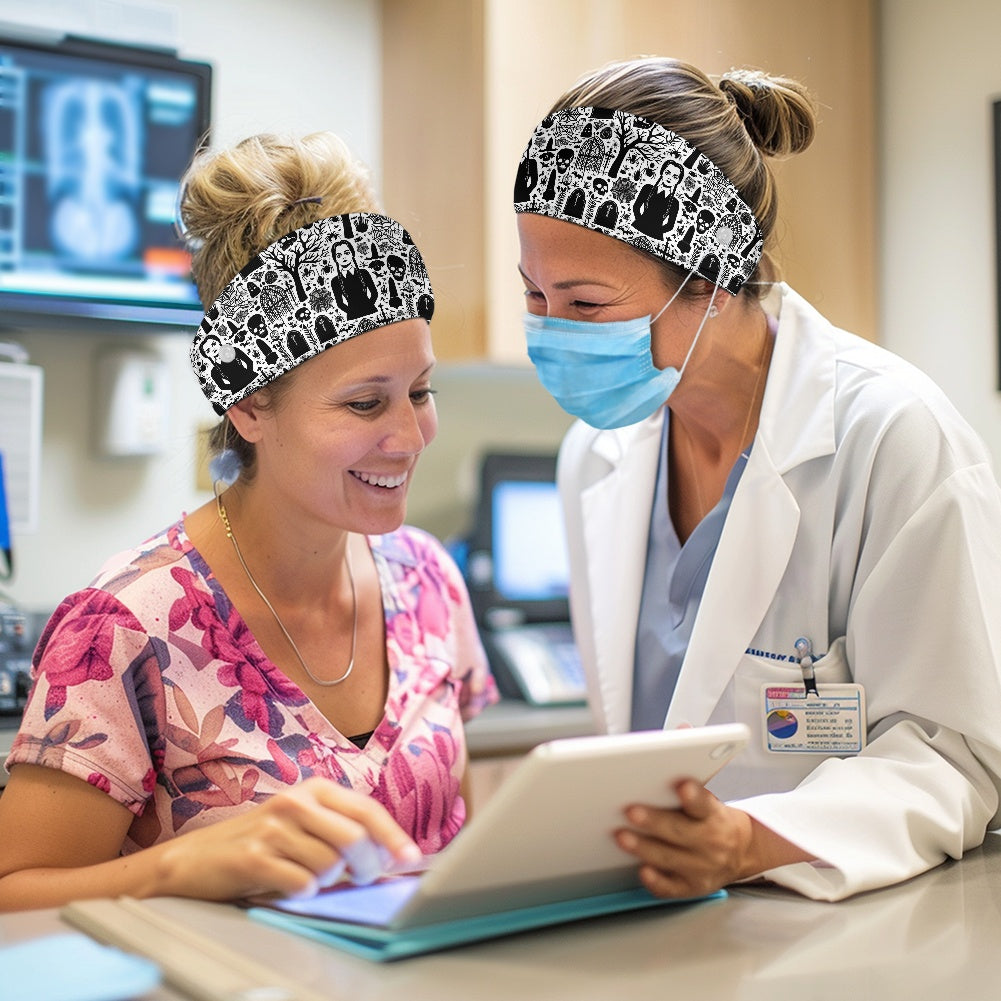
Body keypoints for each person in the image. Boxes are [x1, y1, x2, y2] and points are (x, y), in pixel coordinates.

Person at [513, 57, 1001, 902]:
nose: (553, 335)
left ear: (706, 284)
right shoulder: (594, 455)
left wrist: (749, 841)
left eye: (586, 305)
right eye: (534, 296)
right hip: (670, 927)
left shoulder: (890, 435)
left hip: (849, 935)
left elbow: (947, 752)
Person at [0, 132, 497, 911]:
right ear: (250, 406)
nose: (408, 435)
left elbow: (455, 838)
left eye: (420, 391)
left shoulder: (428, 579)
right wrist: (177, 866)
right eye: (365, 402)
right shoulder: (125, 627)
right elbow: (12, 892)